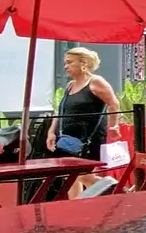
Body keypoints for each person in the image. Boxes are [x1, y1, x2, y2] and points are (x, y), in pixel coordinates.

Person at [46, 47, 120, 198]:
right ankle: (76, 207)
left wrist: (113, 125)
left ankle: (113, 189)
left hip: (88, 139)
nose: (65, 66)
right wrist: (51, 131)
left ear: (83, 63)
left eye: (69, 62)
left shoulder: (96, 82)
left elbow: (114, 103)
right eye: (65, 63)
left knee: (80, 175)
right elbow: (60, 110)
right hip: (69, 138)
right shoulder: (70, 85)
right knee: (70, 177)